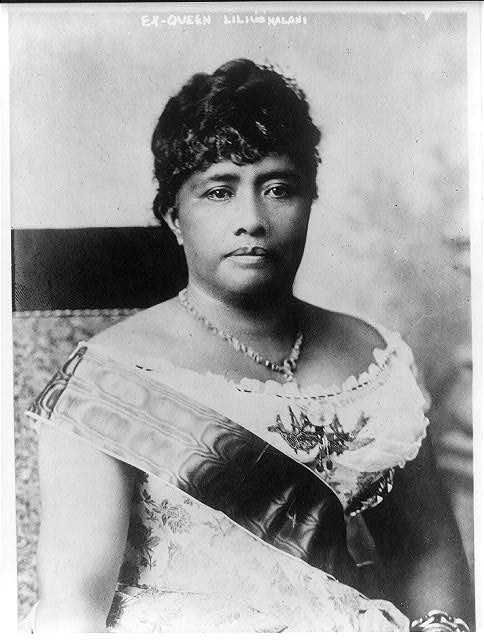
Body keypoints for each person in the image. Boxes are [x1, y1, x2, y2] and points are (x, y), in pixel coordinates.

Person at [23, 59, 472, 632]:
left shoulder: (376, 357)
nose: (252, 219)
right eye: (218, 191)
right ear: (174, 218)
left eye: (279, 188)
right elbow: (74, 604)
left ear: (309, 202)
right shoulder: (112, 374)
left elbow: (429, 551)